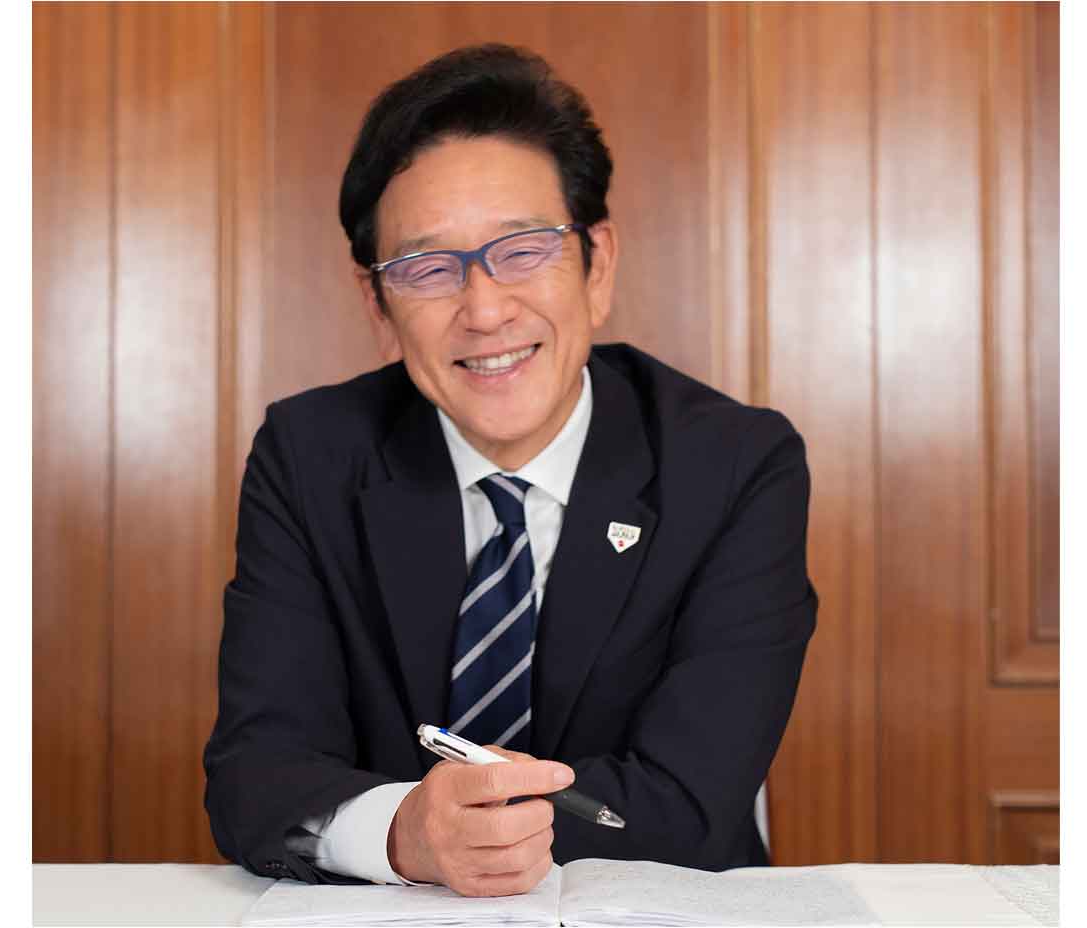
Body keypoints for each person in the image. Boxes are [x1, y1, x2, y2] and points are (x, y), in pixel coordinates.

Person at [203, 43, 818, 898]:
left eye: (523, 250)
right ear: (377, 307)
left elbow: (692, 794)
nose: (485, 310)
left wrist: (475, 826)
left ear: (597, 266)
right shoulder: (310, 456)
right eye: (426, 268)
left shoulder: (734, 465)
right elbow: (255, 775)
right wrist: (406, 832)